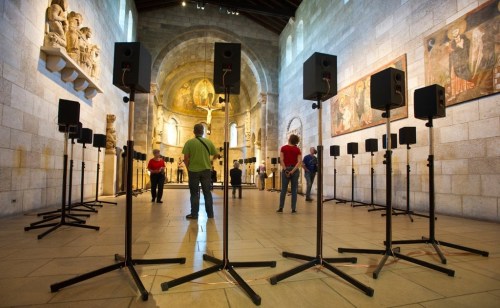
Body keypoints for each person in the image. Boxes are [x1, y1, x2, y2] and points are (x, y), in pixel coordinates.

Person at [183, 124, 219, 219]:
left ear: (194, 132)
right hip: (206, 171)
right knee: (207, 192)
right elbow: (216, 154)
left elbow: (186, 159)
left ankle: (194, 214)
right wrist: (210, 161)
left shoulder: (189, 143)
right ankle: (210, 214)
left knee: (194, 193)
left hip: (193, 171)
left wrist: (188, 168)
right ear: (203, 132)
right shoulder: (208, 142)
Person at [277, 134, 302, 214]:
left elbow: (281, 160)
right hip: (295, 170)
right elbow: (299, 162)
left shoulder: (283, 148)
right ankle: (293, 209)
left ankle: (281, 208)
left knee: (283, 190)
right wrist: (293, 171)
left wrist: (286, 170)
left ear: (289, 139)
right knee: (294, 190)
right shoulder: (297, 149)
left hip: (286, 169)